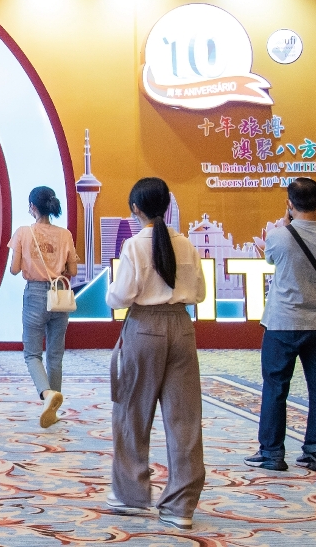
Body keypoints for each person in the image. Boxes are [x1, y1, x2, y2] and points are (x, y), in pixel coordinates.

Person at [105, 177, 206, 531]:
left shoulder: (134, 245)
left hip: (144, 328)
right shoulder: (187, 244)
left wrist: (112, 292)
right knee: (185, 419)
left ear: (136, 208)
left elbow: (119, 296)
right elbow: (200, 294)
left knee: (132, 412)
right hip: (181, 328)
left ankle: (131, 494)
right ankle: (181, 507)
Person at [245, 177, 316, 474]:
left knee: (276, 387)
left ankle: (272, 452)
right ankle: (315, 453)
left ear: (289, 204)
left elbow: (271, 259)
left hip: (283, 323)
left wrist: (283, 225)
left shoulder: (279, 235)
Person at [8, 186, 79, 428]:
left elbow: (14, 269)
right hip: (59, 294)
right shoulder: (65, 234)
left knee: (32, 353)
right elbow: (73, 270)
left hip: (35, 294)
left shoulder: (23, 232)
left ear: (33, 207)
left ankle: (47, 394)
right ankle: (53, 408)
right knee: (55, 355)